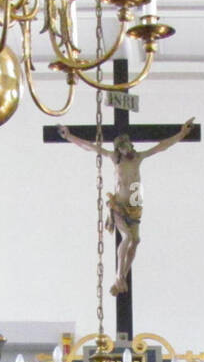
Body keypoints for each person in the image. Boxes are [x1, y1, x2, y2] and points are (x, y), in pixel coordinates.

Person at [56, 118, 196, 295]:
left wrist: (182, 134)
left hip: (135, 205)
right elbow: (90, 147)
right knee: (128, 238)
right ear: (118, 149)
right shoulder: (114, 159)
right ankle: (118, 276)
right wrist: (69, 136)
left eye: (127, 146)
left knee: (136, 241)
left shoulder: (138, 158)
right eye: (121, 147)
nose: (125, 149)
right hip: (119, 205)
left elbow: (162, 146)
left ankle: (121, 277)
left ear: (130, 145)